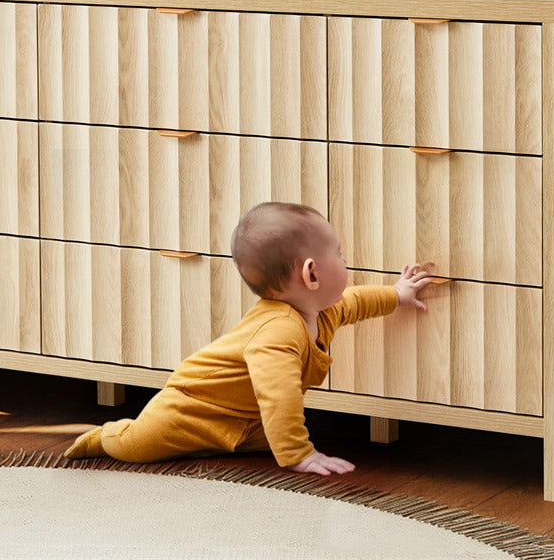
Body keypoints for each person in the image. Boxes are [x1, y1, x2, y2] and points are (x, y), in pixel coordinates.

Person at [65, 201, 433, 475]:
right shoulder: (278, 332)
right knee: (138, 446)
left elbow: (353, 302)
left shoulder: (320, 310)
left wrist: (396, 295)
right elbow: (279, 396)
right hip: (190, 409)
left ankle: (226, 445)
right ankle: (104, 436)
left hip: (246, 419)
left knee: (259, 436)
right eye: (338, 253)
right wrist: (298, 454)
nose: (345, 260)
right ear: (312, 274)